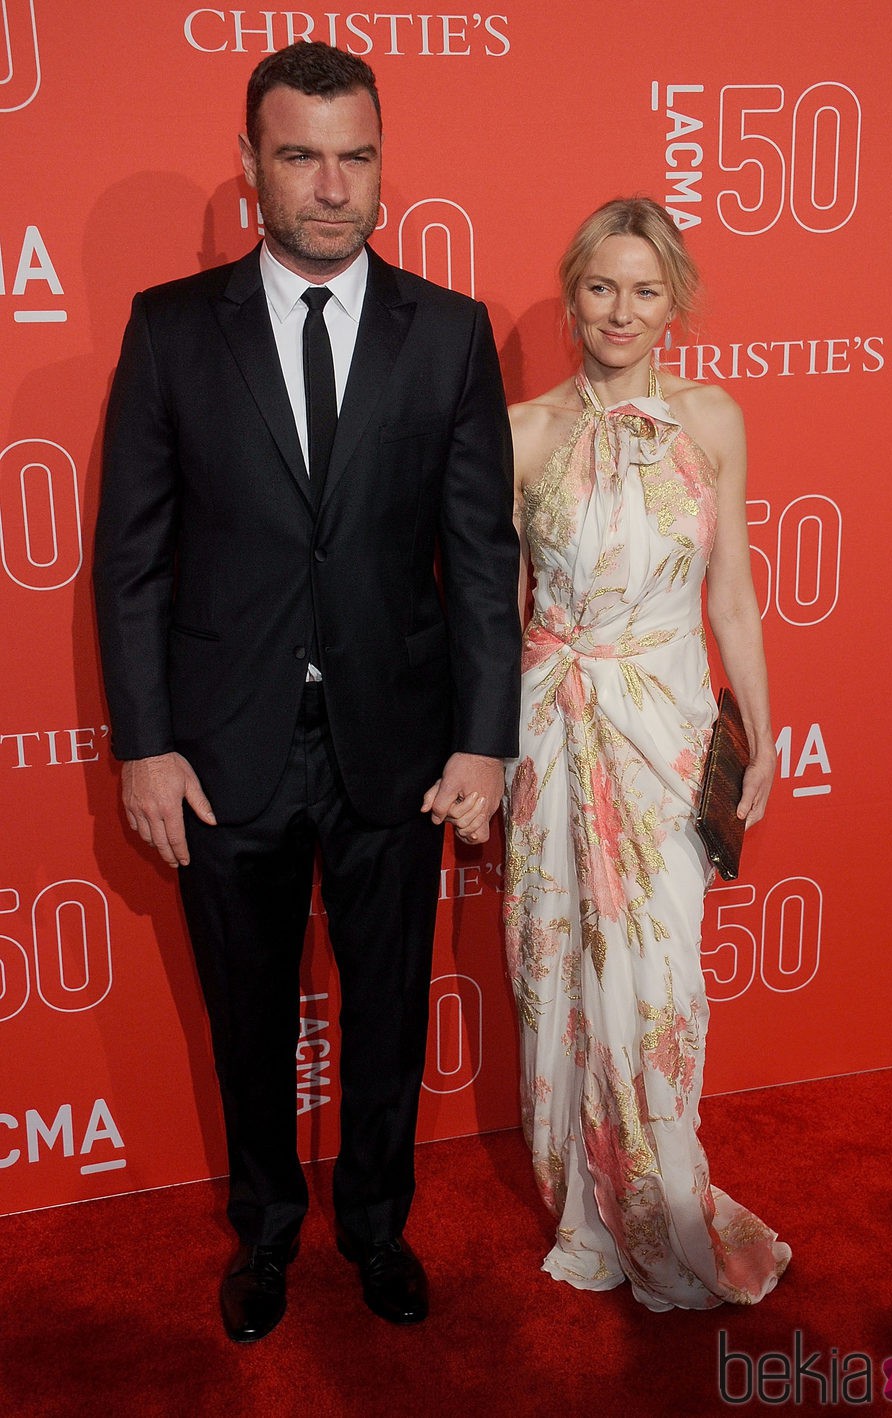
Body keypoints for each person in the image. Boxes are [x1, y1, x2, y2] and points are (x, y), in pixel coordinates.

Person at [94, 42, 520, 1341]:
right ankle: (268, 1230)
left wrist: (487, 739)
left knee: (389, 1008)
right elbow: (130, 556)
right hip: (226, 747)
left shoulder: (447, 333)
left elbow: (484, 555)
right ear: (251, 167)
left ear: (382, 161)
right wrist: (146, 745)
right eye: (300, 155)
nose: (333, 186)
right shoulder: (172, 329)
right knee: (247, 1012)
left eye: (357, 155)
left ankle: (378, 1227)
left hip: (396, 742)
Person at [504, 198, 790, 1311]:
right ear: (571, 292)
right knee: (557, 972)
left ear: (676, 301)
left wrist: (757, 732)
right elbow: (496, 606)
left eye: (643, 290)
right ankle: (588, 1201)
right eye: (598, 287)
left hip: (664, 737)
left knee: (662, 980)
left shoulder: (712, 420)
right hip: (551, 729)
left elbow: (733, 594)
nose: (618, 312)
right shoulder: (523, 429)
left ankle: (664, 1199)